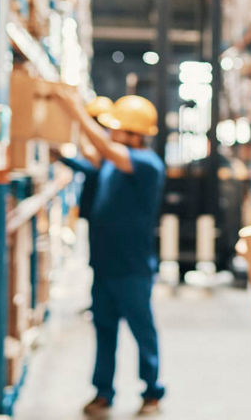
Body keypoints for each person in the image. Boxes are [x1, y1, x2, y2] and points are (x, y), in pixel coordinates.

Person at [51, 92, 167, 418]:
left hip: (132, 269)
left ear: (133, 133)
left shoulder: (145, 164)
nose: (109, 133)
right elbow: (92, 157)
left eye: (115, 128)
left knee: (142, 331)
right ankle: (103, 393)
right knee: (104, 331)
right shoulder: (114, 163)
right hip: (104, 266)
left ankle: (152, 391)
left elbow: (102, 149)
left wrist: (74, 110)